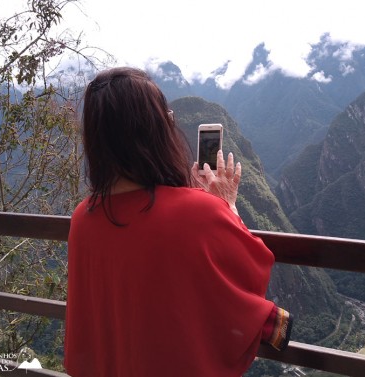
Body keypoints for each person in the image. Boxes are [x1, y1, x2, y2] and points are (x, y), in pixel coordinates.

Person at [64, 67, 292, 377]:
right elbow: (253, 268)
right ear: (155, 131)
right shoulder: (200, 211)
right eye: (167, 117)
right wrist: (227, 205)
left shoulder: (83, 217)